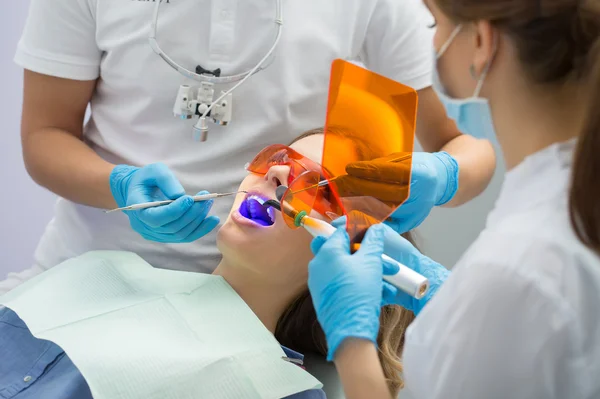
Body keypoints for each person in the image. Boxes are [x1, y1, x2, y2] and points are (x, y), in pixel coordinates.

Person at [0, 0, 497, 294]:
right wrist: (117, 187)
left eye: (297, 170)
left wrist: (445, 173)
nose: (276, 176)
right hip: (86, 275)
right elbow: (45, 135)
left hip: (265, 304)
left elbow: (457, 142)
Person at [307, 0, 600, 399]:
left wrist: (352, 344)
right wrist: (447, 291)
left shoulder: (517, 274)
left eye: (434, 23)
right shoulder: (561, 212)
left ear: (482, 40)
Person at [0, 129, 418, 399]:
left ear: (352, 256)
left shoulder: (281, 390)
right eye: (282, 158)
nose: (276, 174)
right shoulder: (103, 270)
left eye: (320, 190)